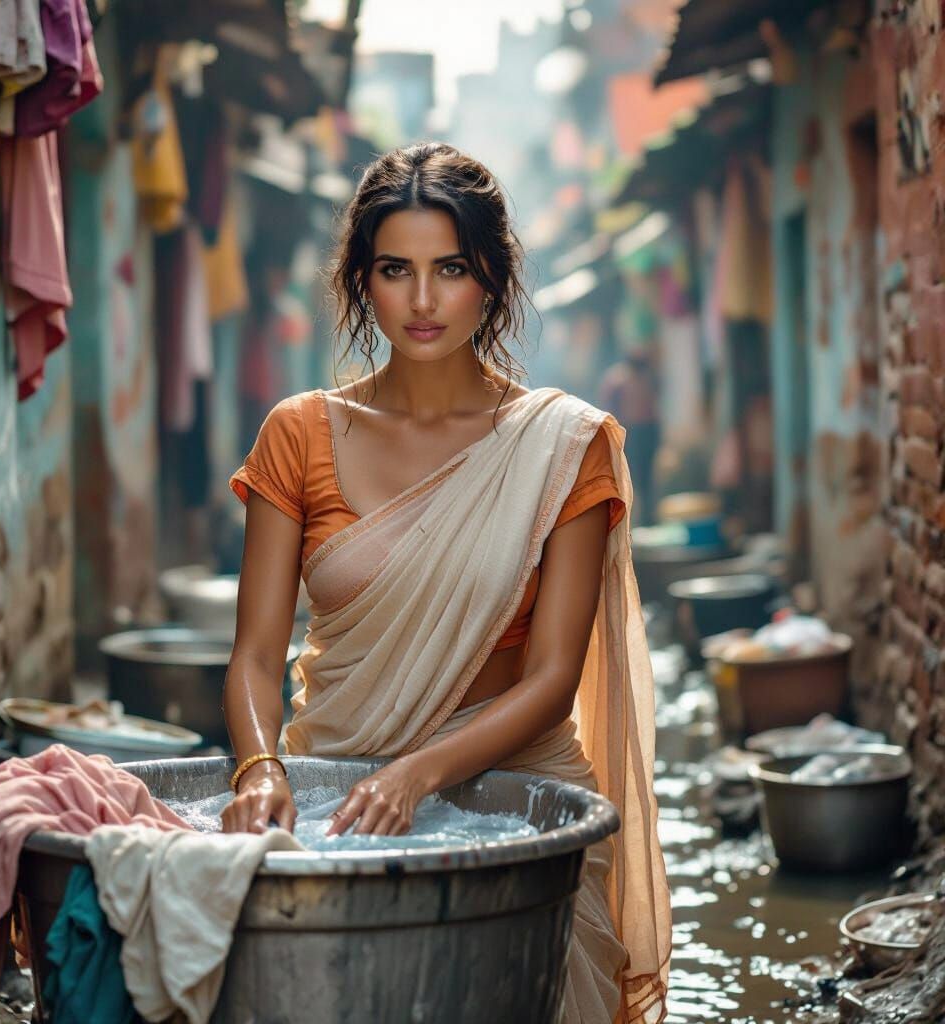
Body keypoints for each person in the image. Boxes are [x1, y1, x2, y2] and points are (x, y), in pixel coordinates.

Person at [223, 142, 670, 1024]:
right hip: (334, 786)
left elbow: (550, 683)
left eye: (450, 269)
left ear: (493, 278)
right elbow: (254, 654)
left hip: (522, 795)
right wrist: (258, 767)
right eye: (396, 270)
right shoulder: (299, 433)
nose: (422, 302)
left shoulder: (559, 447)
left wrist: (419, 774)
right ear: (361, 279)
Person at [598, 344, 661, 525]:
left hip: (647, 431)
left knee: (647, 477)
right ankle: (632, 522)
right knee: (630, 476)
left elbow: (653, 405)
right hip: (629, 432)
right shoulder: (617, 379)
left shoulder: (646, 377)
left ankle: (648, 520)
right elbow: (608, 407)